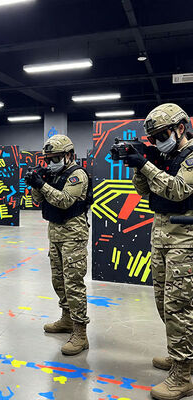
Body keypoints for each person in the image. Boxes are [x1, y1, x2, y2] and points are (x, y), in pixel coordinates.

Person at [125, 103, 193, 400]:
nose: (158, 141)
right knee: (164, 304)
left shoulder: (191, 157)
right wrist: (139, 163)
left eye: (163, 135)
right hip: (162, 238)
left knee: (179, 307)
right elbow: (144, 191)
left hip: (185, 241)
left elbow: (179, 190)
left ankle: (183, 374)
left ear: (181, 128)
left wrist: (146, 164)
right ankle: (183, 354)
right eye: (153, 138)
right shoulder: (166, 157)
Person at [26, 135, 91, 356]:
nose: (51, 162)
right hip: (54, 234)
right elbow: (37, 200)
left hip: (73, 235)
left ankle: (80, 333)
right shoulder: (52, 174)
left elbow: (64, 201)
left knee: (73, 283)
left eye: (55, 158)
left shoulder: (77, 175)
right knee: (59, 280)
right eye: (48, 159)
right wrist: (35, 182)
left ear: (69, 155)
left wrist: (42, 184)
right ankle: (66, 318)